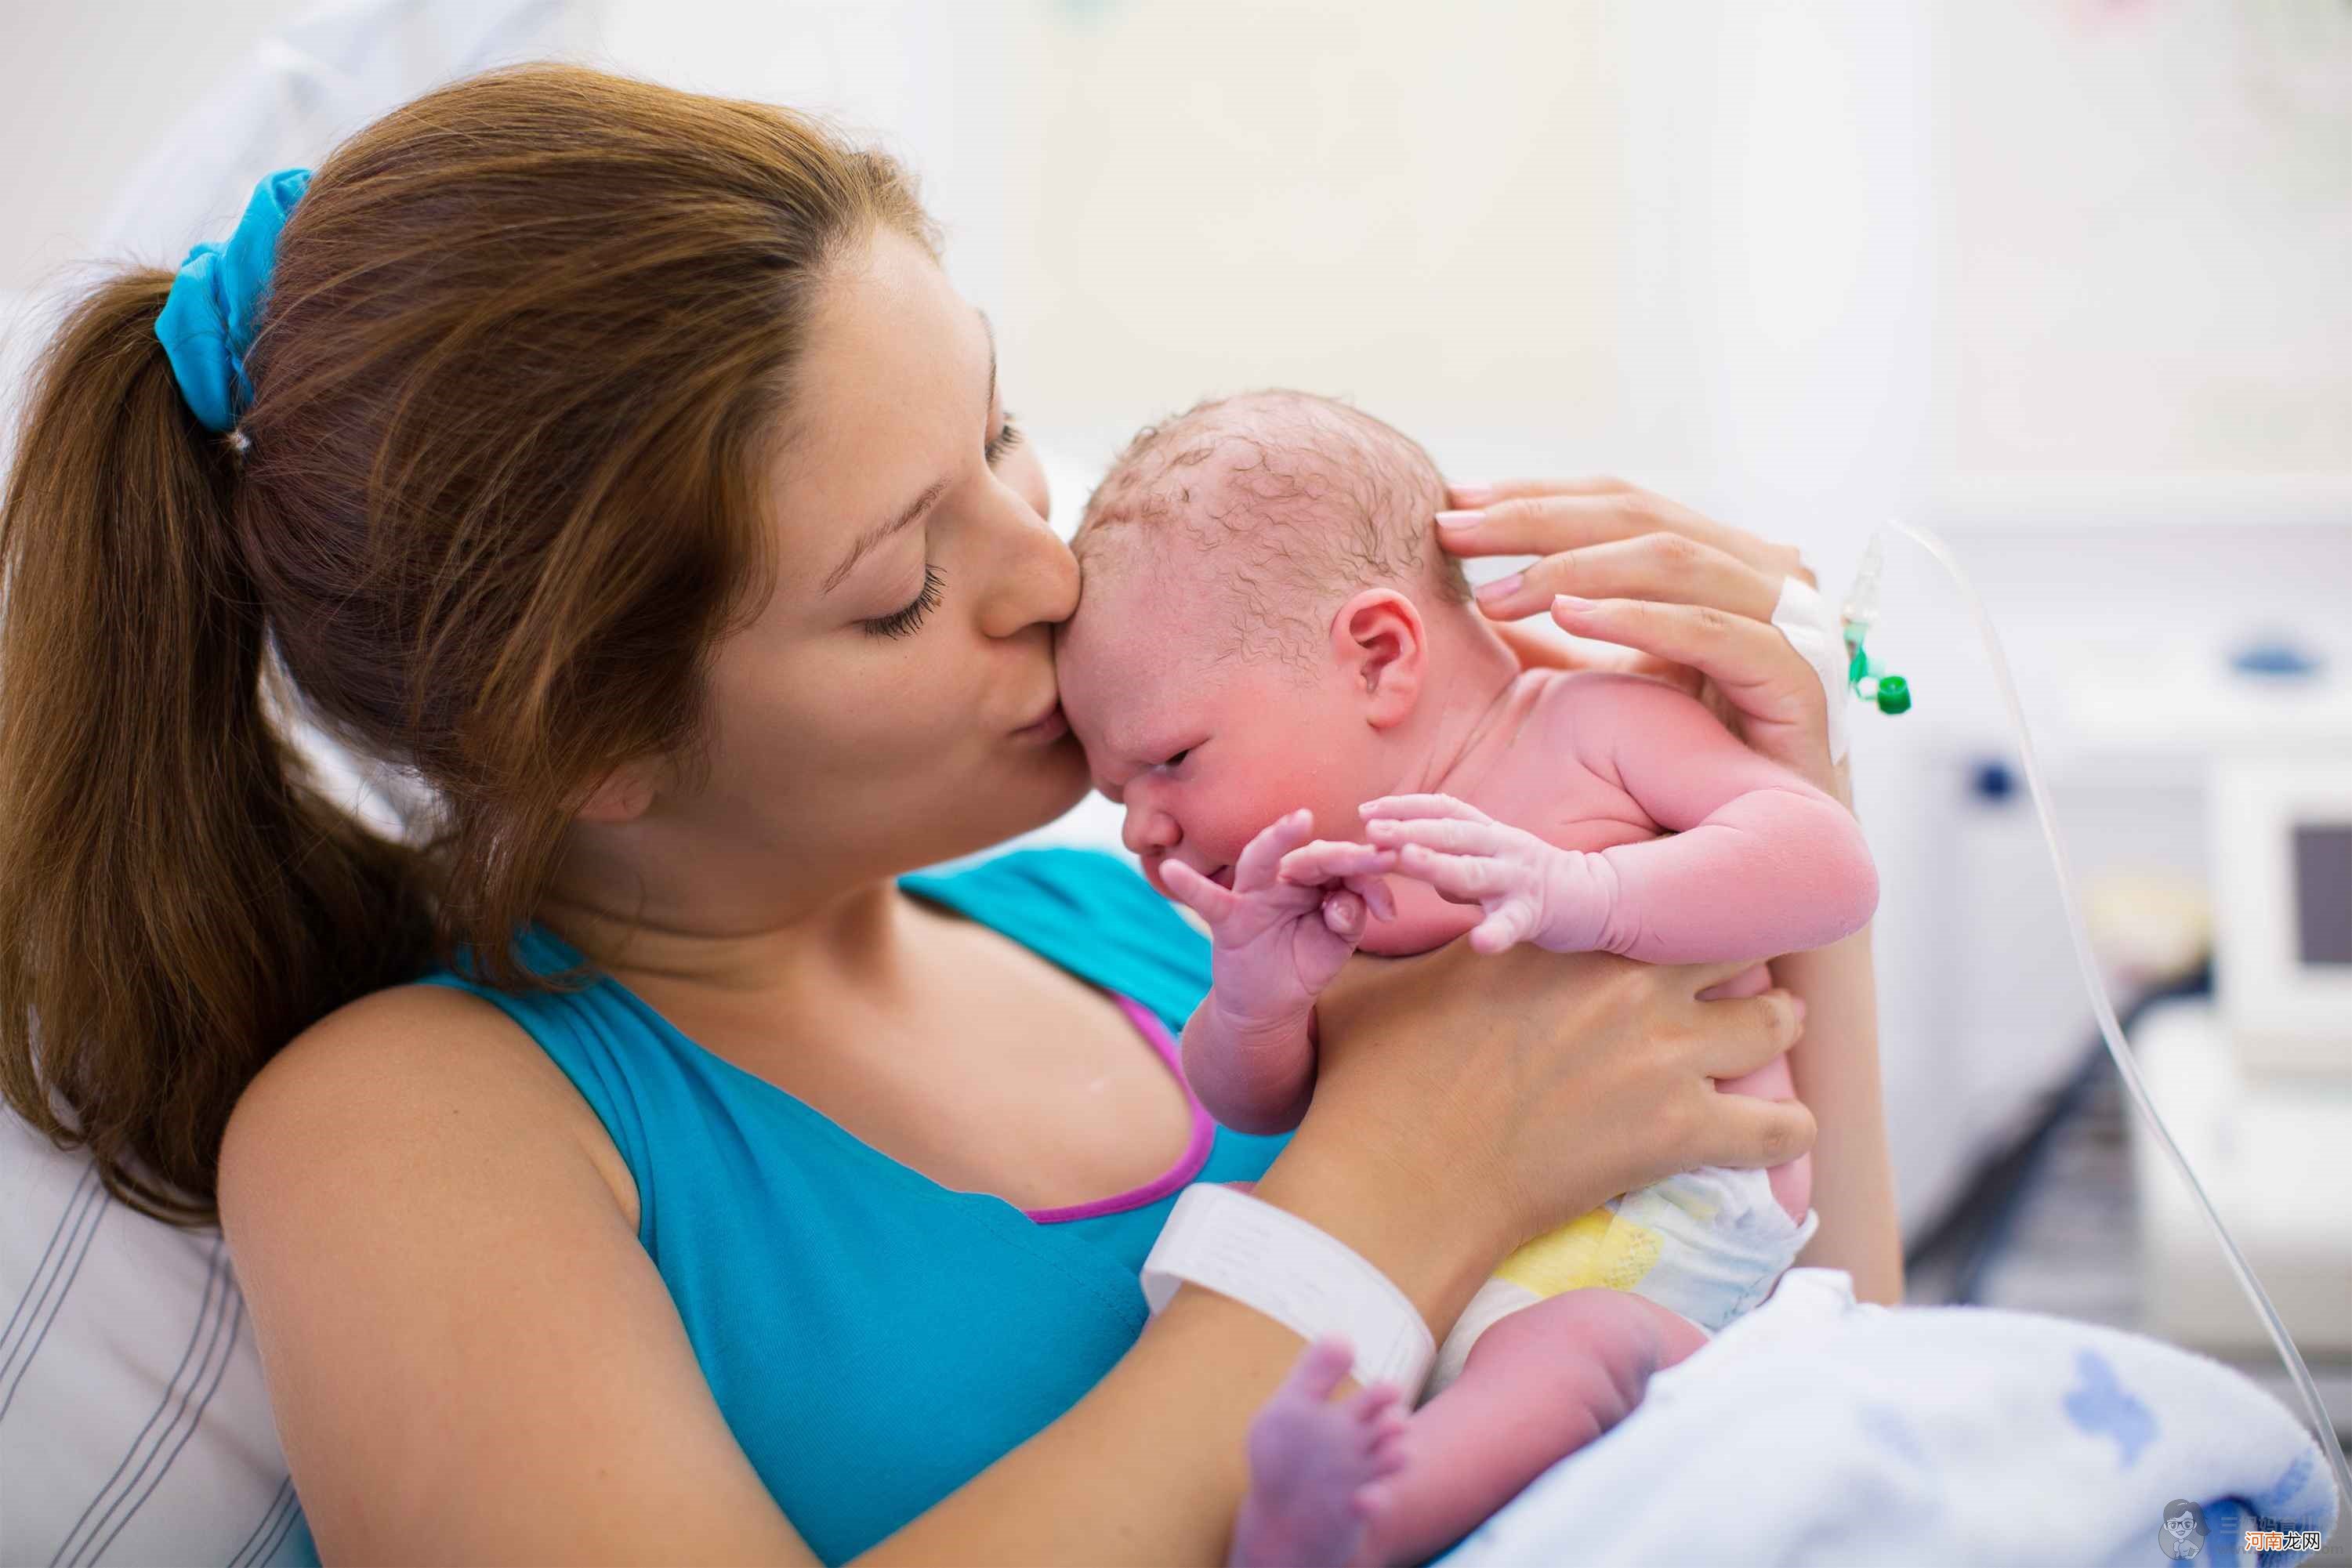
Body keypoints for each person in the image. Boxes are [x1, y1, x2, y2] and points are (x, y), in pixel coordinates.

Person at [0, 63, 1887, 1566]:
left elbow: (1804, 1409)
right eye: (903, 584)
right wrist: (1394, 1191)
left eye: (992, 430)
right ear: (598, 734)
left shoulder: (1181, 929)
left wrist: (1767, 809)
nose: (1050, 574)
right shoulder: (409, 1131)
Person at [1054, 390, 1886, 1566]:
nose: (1144, 828)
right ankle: (1327, 1486)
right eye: (1116, 797)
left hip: (1663, 1258)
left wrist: (1585, 894)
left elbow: (1826, 865)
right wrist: (1255, 1001)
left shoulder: (1586, 725)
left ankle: (1357, 1528)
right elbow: (1254, 1101)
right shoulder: (1307, 885)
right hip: (1435, 1272)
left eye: (1172, 760)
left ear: (1379, 656)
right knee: (1222, 1265)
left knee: (1572, 1351)